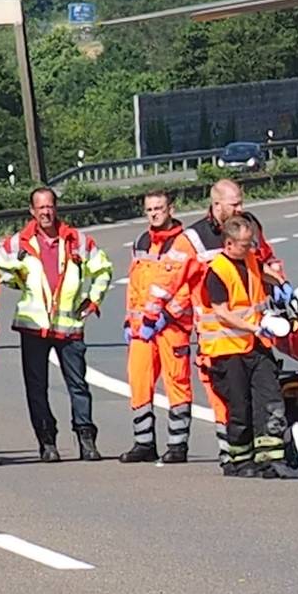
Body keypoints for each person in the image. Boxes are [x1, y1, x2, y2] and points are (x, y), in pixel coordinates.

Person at [0, 186, 113, 461]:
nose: (46, 212)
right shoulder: (19, 243)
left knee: (78, 385)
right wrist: (18, 281)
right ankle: (47, 442)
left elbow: (103, 269)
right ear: (32, 211)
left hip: (69, 325)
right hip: (33, 327)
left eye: (50, 206)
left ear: (55, 208)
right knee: (36, 388)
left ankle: (86, 439)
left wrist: (93, 299)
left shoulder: (76, 240)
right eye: (41, 208)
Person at [195, 212, 292, 478]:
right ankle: (239, 459)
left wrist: (282, 284)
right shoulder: (217, 272)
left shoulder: (250, 259)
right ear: (228, 244)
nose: (250, 247)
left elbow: (263, 274)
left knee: (269, 398)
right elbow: (222, 312)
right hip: (228, 350)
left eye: (251, 242)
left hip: (255, 345)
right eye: (244, 243)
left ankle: (270, 458)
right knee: (239, 406)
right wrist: (253, 326)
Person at [120, 189, 202, 464]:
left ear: (171, 210)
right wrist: (128, 319)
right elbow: (134, 284)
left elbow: (188, 286)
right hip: (142, 326)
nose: (154, 214)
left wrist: (166, 314)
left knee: (177, 382)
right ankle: (143, 443)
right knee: (139, 381)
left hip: (171, 326)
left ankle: (177, 445)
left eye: (159, 208)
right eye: (150, 210)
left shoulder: (184, 243)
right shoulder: (142, 241)